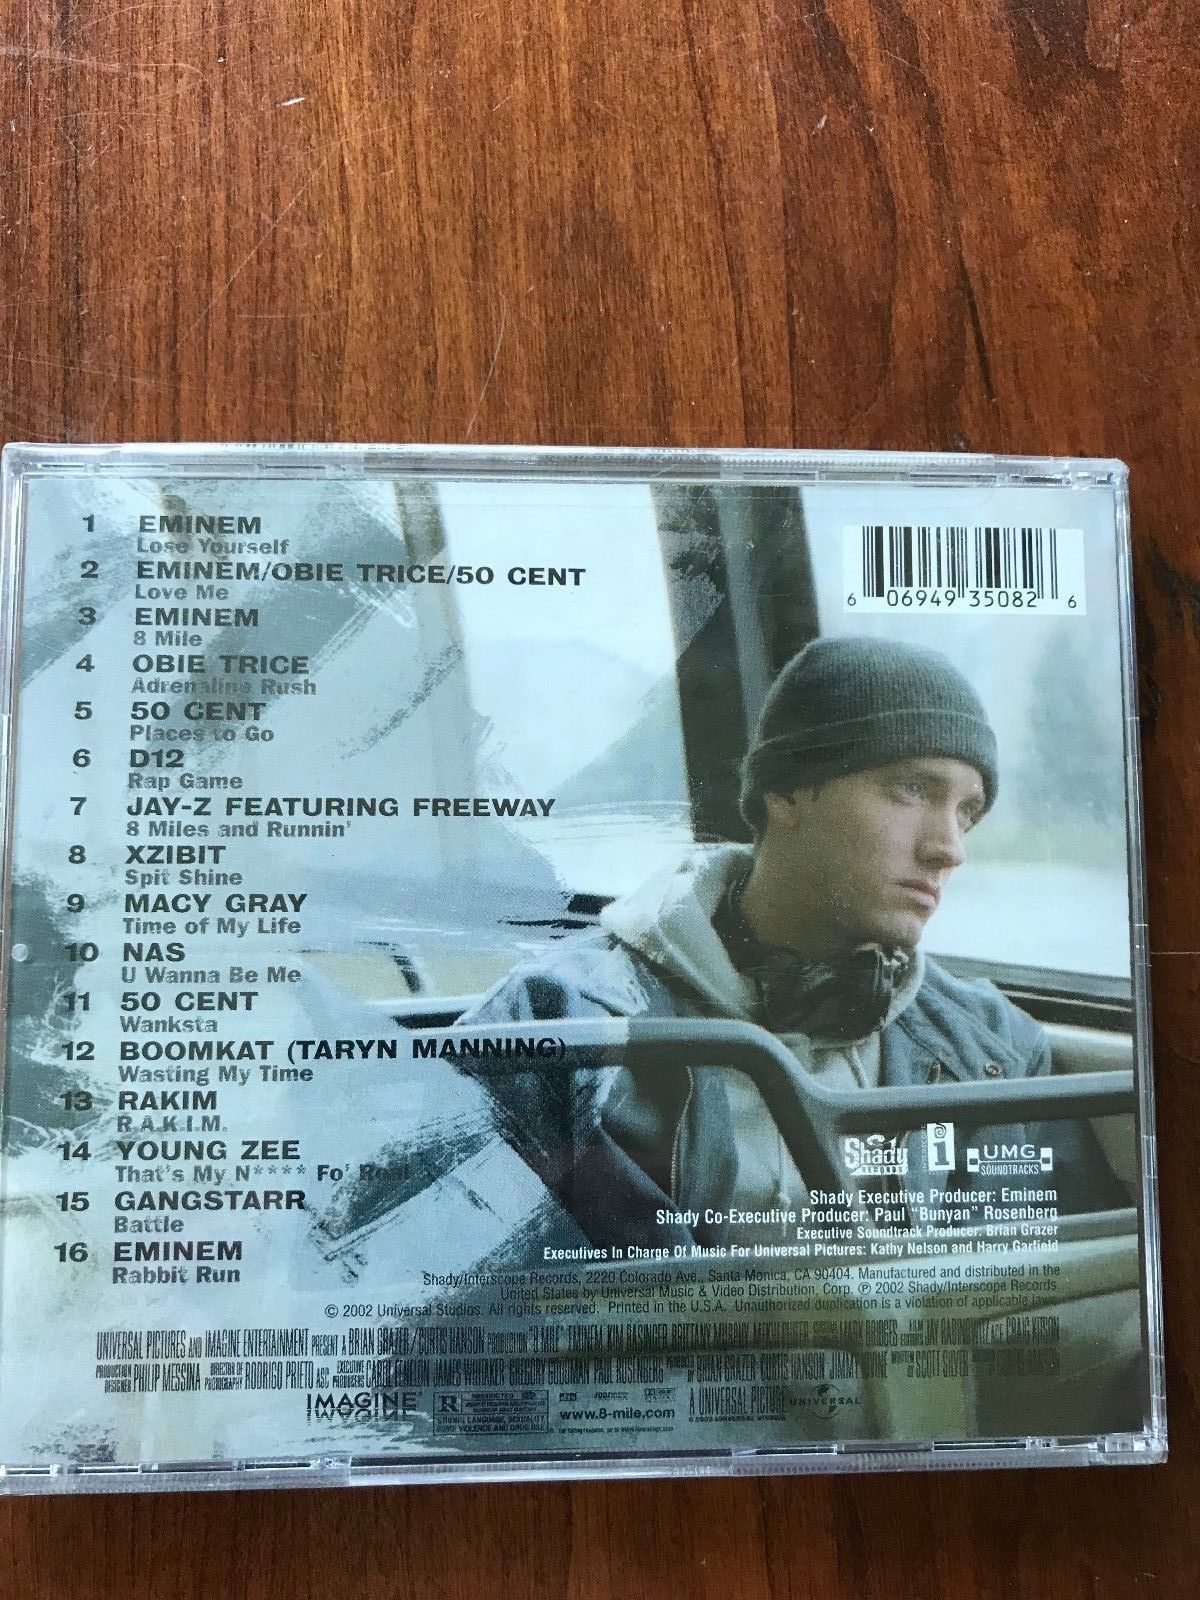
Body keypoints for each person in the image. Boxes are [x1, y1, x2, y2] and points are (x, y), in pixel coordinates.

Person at [457, 636, 1127, 1251]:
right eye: (910, 790)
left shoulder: (992, 1048)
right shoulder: (556, 1026)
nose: (948, 848)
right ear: (785, 791)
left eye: (967, 812)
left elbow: (1065, 1300)